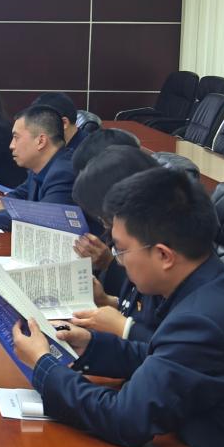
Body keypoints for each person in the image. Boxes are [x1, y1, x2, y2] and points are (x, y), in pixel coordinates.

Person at [11, 167, 224, 447]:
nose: (119, 261)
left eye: (122, 250)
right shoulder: (212, 285)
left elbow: (125, 419)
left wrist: (45, 367)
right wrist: (90, 346)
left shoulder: (203, 319)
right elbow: (164, 357)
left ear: (164, 255)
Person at [69, 144, 162, 342]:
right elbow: (142, 310)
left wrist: (124, 327)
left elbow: (172, 345)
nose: (105, 226)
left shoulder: (159, 251)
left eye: (105, 218)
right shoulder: (141, 239)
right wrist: (107, 301)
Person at [0, 105, 76, 231]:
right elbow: (19, 195)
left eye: (16, 137)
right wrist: (2, 204)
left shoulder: (64, 173)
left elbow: (43, 223)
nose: (11, 145)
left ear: (41, 141)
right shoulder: (38, 167)